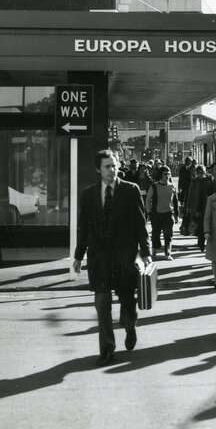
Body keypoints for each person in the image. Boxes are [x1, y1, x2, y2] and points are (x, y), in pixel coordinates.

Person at [73, 149, 151, 366]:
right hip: (99, 258)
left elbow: (140, 222)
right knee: (102, 304)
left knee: (127, 301)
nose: (111, 170)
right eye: (107, 166)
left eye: (114, 165)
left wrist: (145, 252)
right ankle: (107, 348)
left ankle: (130, 325)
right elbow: (83, 227)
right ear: (98, 169)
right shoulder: (88, 194)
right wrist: (78, 256)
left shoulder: (131, 190)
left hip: (124, 257)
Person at [145, 165, 179, 260]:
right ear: (160, 175)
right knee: (156, 234)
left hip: (168, 214)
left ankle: (168, 253)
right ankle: (154, 250)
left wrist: (176, 214)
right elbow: (148, 200)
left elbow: (175, 201)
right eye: (165, 174)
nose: (167, 176)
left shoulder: (172, 186)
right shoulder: (154, 186)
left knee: (168, 235)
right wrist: (149, 212)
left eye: (168, 174)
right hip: (156, 214)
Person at [187, 165, 216, 252]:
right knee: (199, 224)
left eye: (203, 172)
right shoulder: (194, 182)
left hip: (206, 205)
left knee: (204, 224)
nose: (202, 174)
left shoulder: (208, 181)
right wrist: (188, 207)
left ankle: (202, 242)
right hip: (196, 206)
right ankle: (201, 242)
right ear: (197, 173)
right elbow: (190, 195)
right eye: (200, 172)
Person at [177, 157, 194, 233]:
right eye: (188, 161)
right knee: (185, 209)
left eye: (190, 161)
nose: (189, 162)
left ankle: (186, 225)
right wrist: (179, 188)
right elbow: (180, 179)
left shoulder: (192, 168)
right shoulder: (182, 169)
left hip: (190, 190)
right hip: (184, 190)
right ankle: (184, 225)